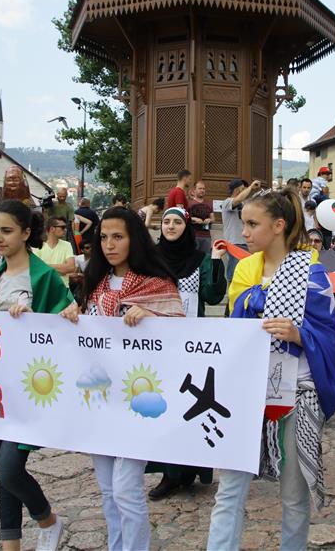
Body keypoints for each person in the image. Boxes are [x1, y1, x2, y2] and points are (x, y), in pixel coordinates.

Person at [207, 188, 335, 551]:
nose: (245, 232)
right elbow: (235, 325)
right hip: (246, 393)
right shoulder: (246, 269)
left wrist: (300, 334)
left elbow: (332, 335)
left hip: (297, 393)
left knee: (293, 496)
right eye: (244, 224)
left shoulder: (312, 273)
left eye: (253, 224)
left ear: (279, 225)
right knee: (229, 490)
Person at [59, 207, 183, 551]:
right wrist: (73, 314)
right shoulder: (96, 283)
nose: (109, 245)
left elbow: (179, 332)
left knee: (127, 490)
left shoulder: (157, 285)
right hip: (101, 399)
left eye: (118, 237)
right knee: (108, 491)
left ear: (134, 240)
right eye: (103, 237)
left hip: (138, 400)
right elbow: (87, 330)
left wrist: (153, 316)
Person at [0, 200, 70, 551]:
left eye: (6, 231)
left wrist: (41, 317)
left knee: (9, 468)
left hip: (30, 388)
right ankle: (11, 545)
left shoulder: (44, 276)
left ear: (25, 232)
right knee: (2, 470)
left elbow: (66, 318)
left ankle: (48, 519)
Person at [146, 207, 228, 499]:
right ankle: (169, 473)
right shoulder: (150, 259)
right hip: (158, 343)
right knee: (163, 405)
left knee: (190, 404)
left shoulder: (199, 260)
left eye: (177, 222)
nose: (170, 226)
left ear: (187, 227)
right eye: (166, 221)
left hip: (191, 344)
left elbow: (212, 296)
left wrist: (216, 262)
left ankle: (190, 468)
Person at [219, 179, 262, 282]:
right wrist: (251, 187)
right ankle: (231, 292)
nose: (245, 191)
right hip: (234, 243)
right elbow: (237, 200)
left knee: (245, 275)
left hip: (246, 242)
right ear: (237, 190)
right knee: (234, 275)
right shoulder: (227, 202)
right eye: (243, 189)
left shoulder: (244, 204)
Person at [33, 217, 77, 288]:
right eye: (62, 227)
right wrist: (62, 270)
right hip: (44, 289)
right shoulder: (38, 246)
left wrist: (45, 266)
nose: (65, 230)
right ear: (52, 229)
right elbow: (36, 268)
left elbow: (71, 267)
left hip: (63, 288)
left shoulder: (67, 245)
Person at [188, 180, 215, 254]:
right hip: (193, 236)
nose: (202, 190)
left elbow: (213, 219)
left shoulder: (209, 203)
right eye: (200, 188)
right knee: (193, 257)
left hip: (206, 236)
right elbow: (184, 218)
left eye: (203, 189)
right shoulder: (189, 203)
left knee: (205, 257)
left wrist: (209, 220)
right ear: (194, 190)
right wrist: (194, 219)